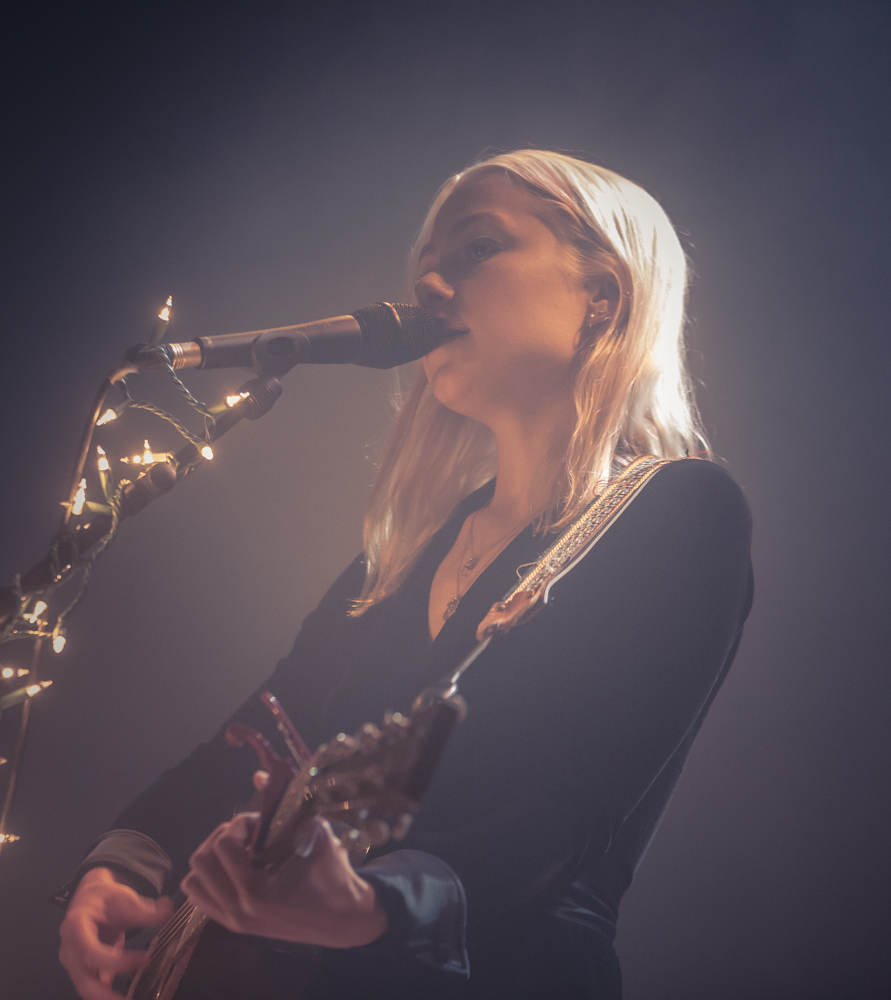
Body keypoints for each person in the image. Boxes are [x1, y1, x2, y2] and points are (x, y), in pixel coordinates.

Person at [54, 150, 753, 999]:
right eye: (425, 264)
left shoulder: (683, 508)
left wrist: (374, 907)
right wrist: (123, 860)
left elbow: (569, 811)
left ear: (601, 293)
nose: (428, 283)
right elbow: (252, 739)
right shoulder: (406, 555)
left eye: (476, 249)